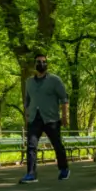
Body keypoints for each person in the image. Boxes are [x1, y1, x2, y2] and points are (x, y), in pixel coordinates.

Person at [19, 54, 70, 184]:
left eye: (43, 61)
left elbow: (64, 99)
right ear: (35, 64)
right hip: (34, 119)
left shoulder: (55, 80)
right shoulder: (29, 82)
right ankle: (31, 174)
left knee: (57, 144)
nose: (41, 63)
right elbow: (27, 101)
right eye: (38, 61)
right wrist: (27, 116)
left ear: (47, 64)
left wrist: (65, 116)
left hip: (51, 119)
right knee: (31, 146)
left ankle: (64, 168)